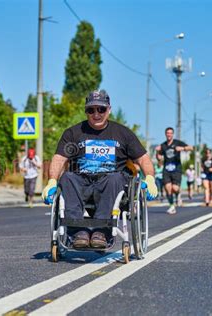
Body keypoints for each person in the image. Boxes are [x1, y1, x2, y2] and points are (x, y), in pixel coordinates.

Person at [41, 90, 158, 249]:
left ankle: (101, 232)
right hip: (81, 181)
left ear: (109, 110)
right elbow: (59, 158)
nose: (96, 114)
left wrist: (150, 178)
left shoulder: (122, 133)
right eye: (91, 110)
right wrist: (52, 181)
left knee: (115, 177)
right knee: (67, 177)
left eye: (101, 109)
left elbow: (143, 158)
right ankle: (78, 232)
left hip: (111, 183)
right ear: (86, 111)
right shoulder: (73, 133)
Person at [155, 127, 193, 214]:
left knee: (175, 188)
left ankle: (178, 194)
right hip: (166, 170)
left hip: (176, 169)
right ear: (165, 134)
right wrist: (157, 152)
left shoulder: (177, 143)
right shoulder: (163, 145)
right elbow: (159, 159)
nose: (169, 134)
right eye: (167, 133)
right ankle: (172, 206)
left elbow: (191, 148)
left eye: (170, 133)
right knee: (168, 188)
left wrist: (182, 149)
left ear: (173, 134)